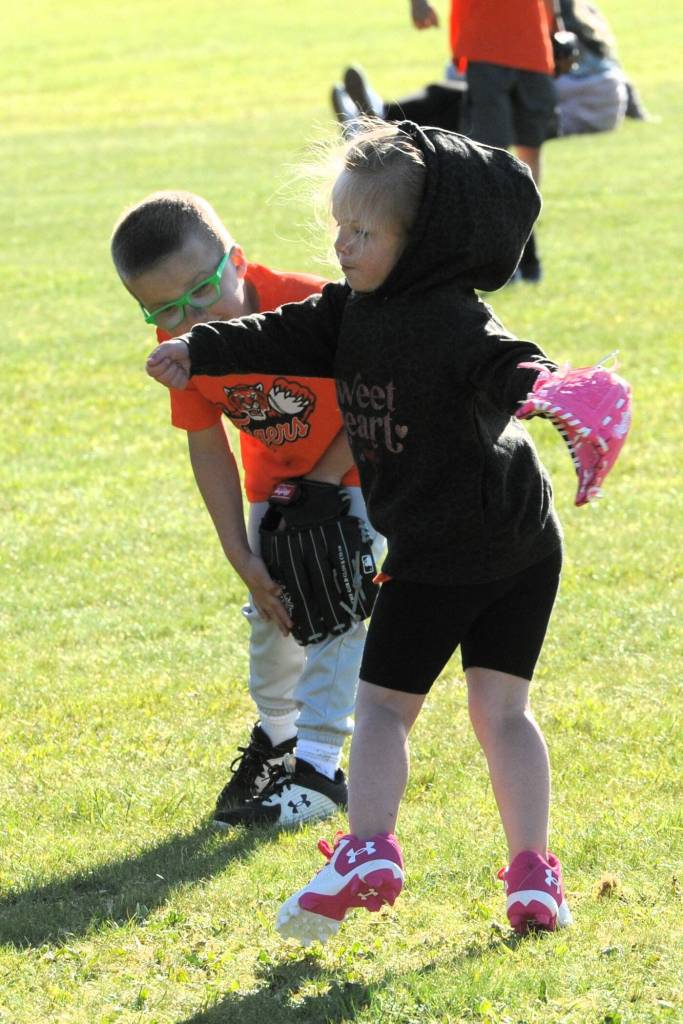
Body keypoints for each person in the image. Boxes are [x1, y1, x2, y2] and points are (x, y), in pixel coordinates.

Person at [144, 122, 620, 943]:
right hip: (523, 540)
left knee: (383, 711)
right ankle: (533, 879)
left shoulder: (451, 319)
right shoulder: (349, 309)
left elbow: (505, 362)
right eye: (338, 227)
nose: (342, 245)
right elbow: (277, 333)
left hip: (445, 554)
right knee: (501, 711)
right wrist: (202, 345)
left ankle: (367, 850)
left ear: (420, 240)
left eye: (362, 232)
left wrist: (549, 388)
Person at [111, 191, 384, 829]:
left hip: (357, 471)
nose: (189, 318)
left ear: (235, 260)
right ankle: (278, 743)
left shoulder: (310, 304)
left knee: (335, 608)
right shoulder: (179, 343)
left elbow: (376, 396)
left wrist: (322, 483)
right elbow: (207, 446)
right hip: (274, 489)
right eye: (165, 309)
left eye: (202, 294)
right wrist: (242, 557)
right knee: (274, 619)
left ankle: (320, 770)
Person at [410, 0, 559, 283]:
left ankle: (522, 250)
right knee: (491, 157)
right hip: (486, 44)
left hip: (534, 45)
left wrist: (555, 27)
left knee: (530, 153)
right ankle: (504, 259)